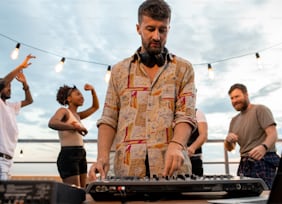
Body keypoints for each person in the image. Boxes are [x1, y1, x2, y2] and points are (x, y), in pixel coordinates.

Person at [88, 0, 196, 180]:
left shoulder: (184, 68)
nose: (156, 36)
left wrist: (177, 145)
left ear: (169, 29)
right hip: (128, 171)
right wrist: (102, 157)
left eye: (162, 30)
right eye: (150, 29)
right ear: (138, 28)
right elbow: (109, 118)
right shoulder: (119, 71)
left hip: (173, 172)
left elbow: (186, 114)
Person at [224, 83, 280, 189]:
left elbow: (273, 134)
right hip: (244, 164)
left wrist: (264, 147)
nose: (234, 100)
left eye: (237, 96)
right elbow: (230, 148)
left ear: (246, 95)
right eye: (231, 98)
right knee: (243, 196)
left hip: (263, 161)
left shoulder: (260, 109)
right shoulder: (234, 120)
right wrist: (228, 141)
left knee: (264, 195)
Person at [48, 83, 99, 188]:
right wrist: (75, 127)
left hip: (81, 154)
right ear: (69, 99)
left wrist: (93, 91)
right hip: (68, 154)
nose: (81, 96)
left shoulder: (78, 115)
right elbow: (52, 123)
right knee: (73, 193)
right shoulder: (63, 111)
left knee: (82, 191)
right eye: (78, 94)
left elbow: (95, 107)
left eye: (82, 94)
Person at [0, 54, 35, 180]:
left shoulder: (11, 106)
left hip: (8, 160)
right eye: (7, 87)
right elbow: (4, 81)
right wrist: (21, 66)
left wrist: (25, 84)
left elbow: (29, 100)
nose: (9, 89)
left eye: (10, 86)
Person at [187, 109, 208, 176]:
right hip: (173, 159)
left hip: (194, 158)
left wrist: (192, 148)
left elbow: (203, 135)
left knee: (195, 185)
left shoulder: (197, 113)